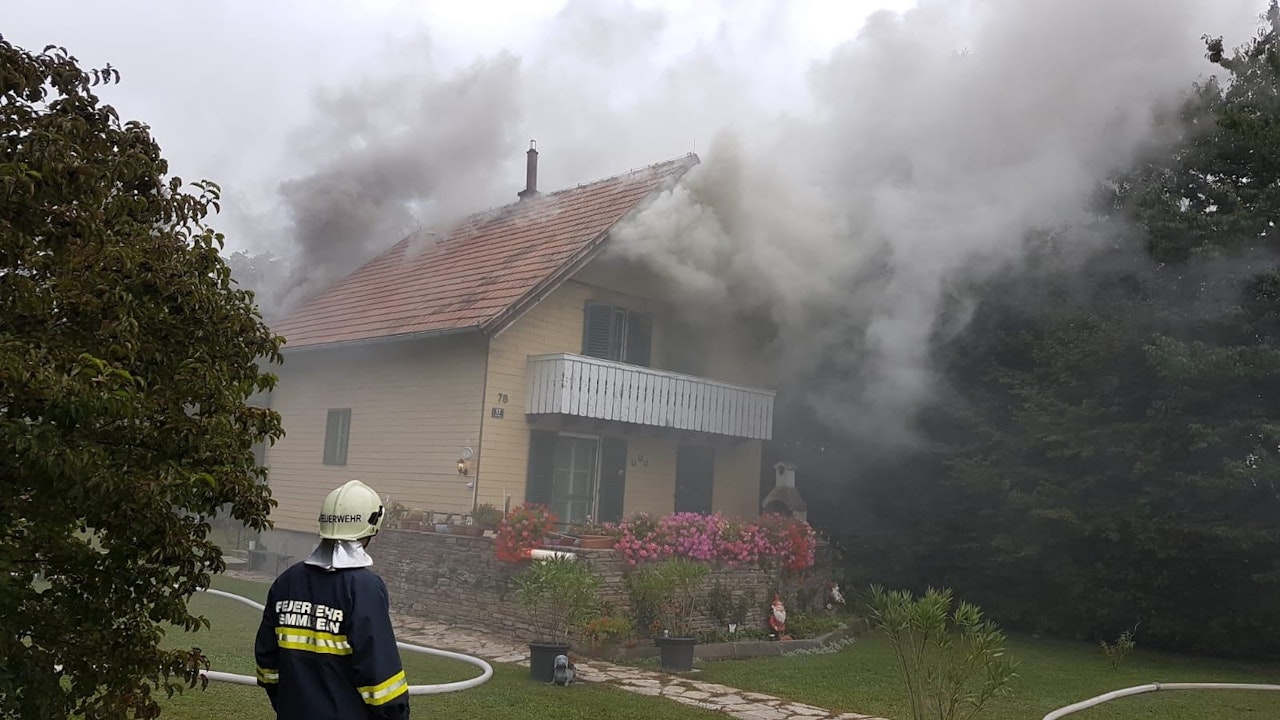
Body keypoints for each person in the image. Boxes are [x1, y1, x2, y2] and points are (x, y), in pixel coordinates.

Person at [254, 480, 410, 719]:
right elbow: (381, 681)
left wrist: (287, 703)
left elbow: (267, 664)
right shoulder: (364, 588)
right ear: (372, 526)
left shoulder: (286, 581)